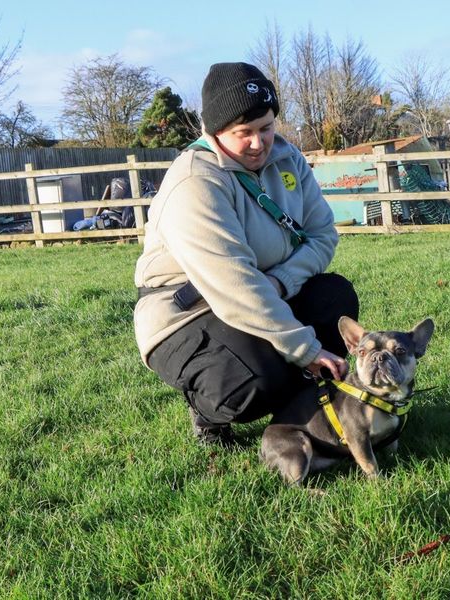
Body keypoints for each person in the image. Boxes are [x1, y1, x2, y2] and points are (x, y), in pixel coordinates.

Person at [134, 62, 359, 445]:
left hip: (265, 291)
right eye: (244, 133)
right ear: (215, 131)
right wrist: (305, 348)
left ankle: (306, 411)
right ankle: (209, 415)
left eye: (266, 128)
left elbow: (322, 235)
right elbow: (232, 283)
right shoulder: (195, 182)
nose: (259, 143)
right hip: (189, 311)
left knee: (333, 297)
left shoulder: (289, 160)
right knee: (255, 380)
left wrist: (282, 281)